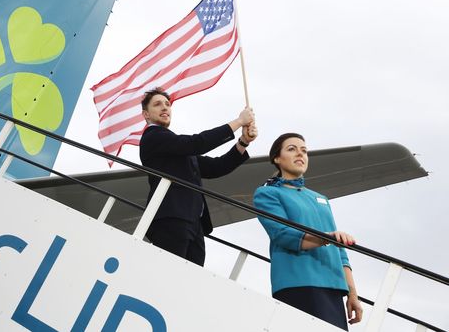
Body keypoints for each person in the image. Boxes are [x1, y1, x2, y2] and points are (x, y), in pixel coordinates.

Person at [253, 133, 363, 330]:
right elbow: (283, 235)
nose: (300, 154)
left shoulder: (321, 198)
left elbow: (341, 252)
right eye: (292, 149)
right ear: (276, 158)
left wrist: (352, 293)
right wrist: (326, 238)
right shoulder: (267, 193)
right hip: (298, 281)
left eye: (304, 150)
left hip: (334, 285)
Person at [139, 87, 257, 266]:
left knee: (191, 282)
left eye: (167, 104)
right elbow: (197, 143)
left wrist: (243, 142)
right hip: (172, 218)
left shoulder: (177, 147)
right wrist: (239, 121)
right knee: (170, 276)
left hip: (194, 223)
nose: (165, 108)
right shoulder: (153, 137)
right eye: (157, 104)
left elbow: (217, 167)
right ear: (146, 115)